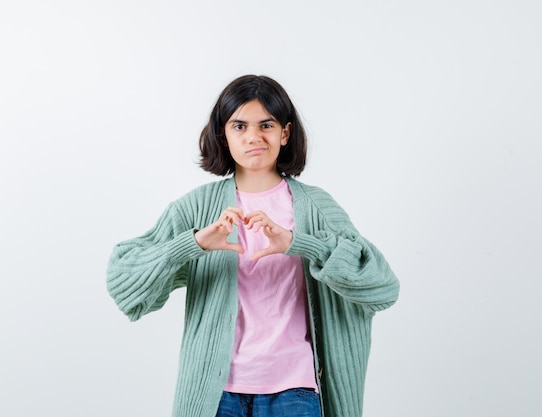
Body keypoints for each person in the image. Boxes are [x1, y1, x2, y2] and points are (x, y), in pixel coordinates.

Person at [106, 74, 400, 417]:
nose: (254, 137)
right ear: (223, 134)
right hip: (216, 395)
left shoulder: (316, 207)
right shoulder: (196, 208)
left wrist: (300, 243)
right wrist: (193, 244)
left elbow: (381, 287)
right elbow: (122, 280)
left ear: (285, 133)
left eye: (266, 125)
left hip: (296, 391)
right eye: (240, 126)